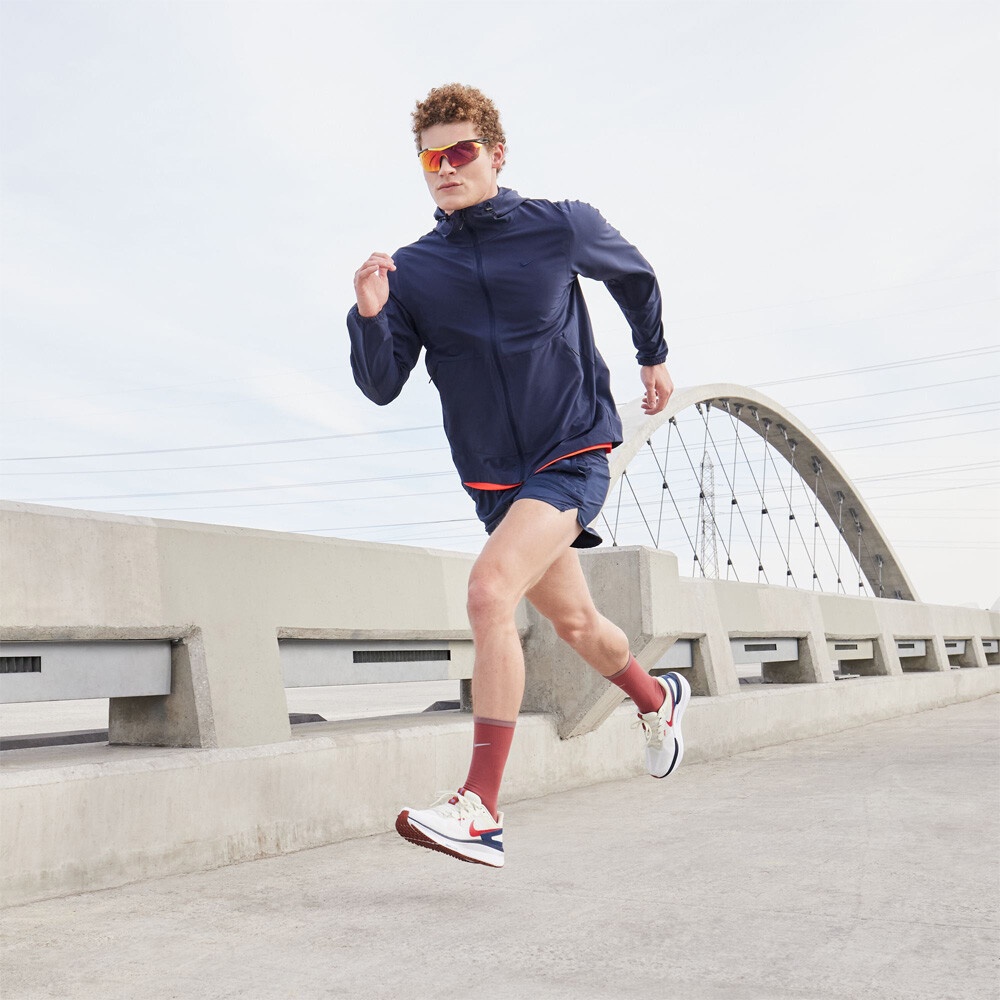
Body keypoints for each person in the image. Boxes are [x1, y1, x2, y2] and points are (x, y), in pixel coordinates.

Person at [348, 83, 690, 869]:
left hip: (572, 448)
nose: (445, 167)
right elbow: (381, 383)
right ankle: (657, 697)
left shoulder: (558, 225)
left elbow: (634, 275)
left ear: (496, 155)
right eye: (430, 158)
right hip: (495, 482)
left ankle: (481, 809)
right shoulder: (413, 271)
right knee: (577, 625)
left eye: (460, 151)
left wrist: (652, 354)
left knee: (488, 592)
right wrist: (369, 314)